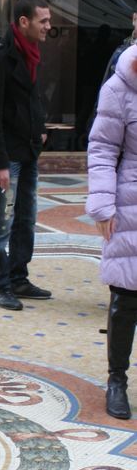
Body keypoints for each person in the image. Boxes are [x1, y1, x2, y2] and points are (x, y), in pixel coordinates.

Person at [0, 0, 52, 310]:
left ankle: (18, 277)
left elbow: (30, 99)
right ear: (24, 22)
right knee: (2, 221)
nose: (48, 26)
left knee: (25, 218)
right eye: (43, 21)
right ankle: (0, 284)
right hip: (7, 157)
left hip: (28, 150)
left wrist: (40, 127)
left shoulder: (30, 53)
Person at [86, 41, 137, 420]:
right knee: (126, 296)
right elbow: (102, 148)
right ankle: (116, 379)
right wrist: (103, 205)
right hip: (131, 201)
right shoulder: (120, 85)